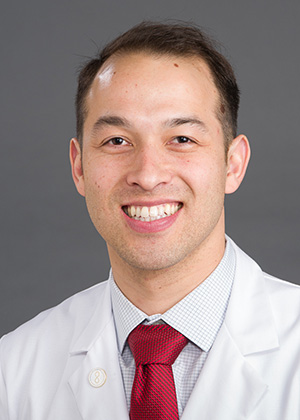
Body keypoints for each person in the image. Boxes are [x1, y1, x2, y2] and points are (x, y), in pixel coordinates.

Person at [0, 21, 299, 420]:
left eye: (181, 139)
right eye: (117, 141)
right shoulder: (14, 371)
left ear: (233, 163)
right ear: (79, 168)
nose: (148, 174)